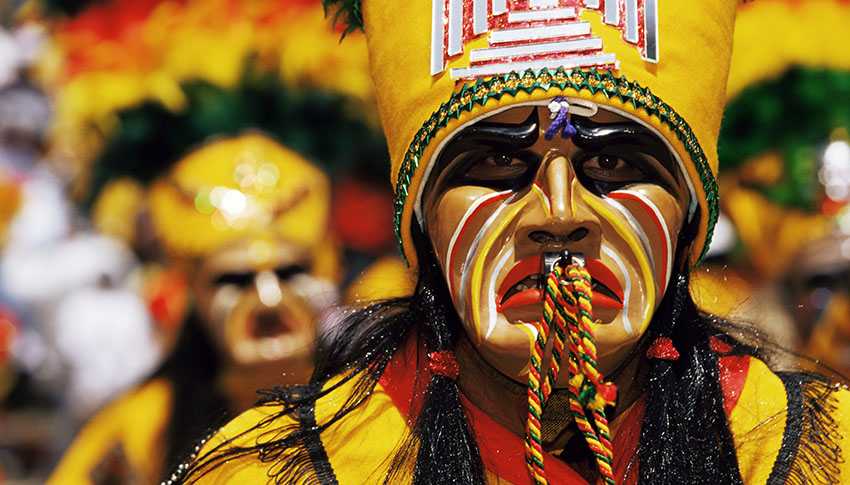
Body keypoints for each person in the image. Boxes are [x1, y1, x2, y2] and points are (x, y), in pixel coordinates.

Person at [177, 2, 850, 484]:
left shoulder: (819, 451)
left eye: (613, 164)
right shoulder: (271, 467)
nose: (558, 214)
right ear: (424, 224)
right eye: (497, 165)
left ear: (687, 218)